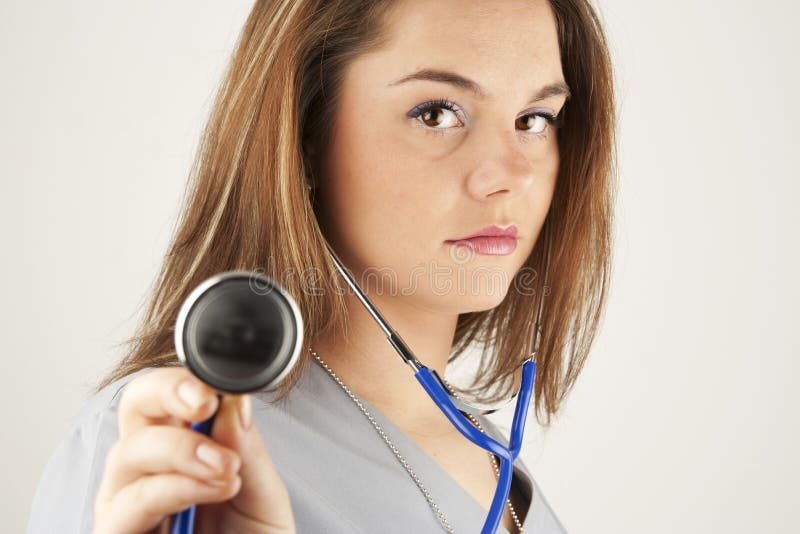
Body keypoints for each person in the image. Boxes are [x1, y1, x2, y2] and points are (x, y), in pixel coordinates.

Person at [27, 0, 616, 532]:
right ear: (305, 132)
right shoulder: (168, 451)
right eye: (437, 113)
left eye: (535, 118)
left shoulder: (498, 467)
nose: (510, 175)